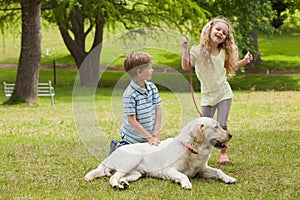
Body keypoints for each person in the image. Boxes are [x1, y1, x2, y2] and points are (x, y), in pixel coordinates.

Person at [181, 17, 253, 164]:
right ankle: (200, 153)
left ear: (226, 38)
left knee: (222, 124)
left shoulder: (223, 52)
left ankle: (223, 153)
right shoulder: (197, 50)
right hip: (207, 96)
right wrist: (185, 49)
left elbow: (230, 67)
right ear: (209, 30)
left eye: (224, 32)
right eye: (218, 29)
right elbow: (186, 66)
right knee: (204, 127)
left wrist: (244, 61)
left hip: (223, 92)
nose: (220, 33)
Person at [109, 51, 162, 155]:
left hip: (148, 136)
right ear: (139, 72)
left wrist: (156, 133)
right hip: (132, 138)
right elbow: (132, 120)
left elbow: (158, 110)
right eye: (149, 68)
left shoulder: (152, 87)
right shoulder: (130, 94)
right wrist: (149, 137)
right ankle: (117, 147)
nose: (152, 70)